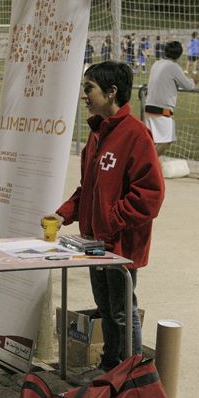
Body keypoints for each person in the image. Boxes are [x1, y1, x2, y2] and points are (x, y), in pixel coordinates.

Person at [44, 60, 164, 381]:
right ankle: (111, 366)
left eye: (89, 88)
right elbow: (90, 189)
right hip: (95, 243)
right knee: (106, 307)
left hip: (119, 243)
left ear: (111, 92)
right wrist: (65, 212)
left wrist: (111, 222)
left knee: (124, 312)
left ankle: (132, 376)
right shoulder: (97, 134)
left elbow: (150, 195)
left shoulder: (136, 134)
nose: (84, 95)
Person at [143, 41, 199, 156]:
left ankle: (154, 169)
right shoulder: (173, 67)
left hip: (149, 107)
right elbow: (188, 86)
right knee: (165, 141)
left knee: (156, 142)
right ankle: (143, 167)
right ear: (179, 54)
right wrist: (194, 79)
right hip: (162, 110)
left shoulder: (156, 64)